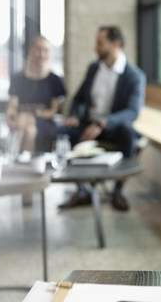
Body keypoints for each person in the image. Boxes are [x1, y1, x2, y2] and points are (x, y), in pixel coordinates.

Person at [59, 25, 146, 211]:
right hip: (87, 124)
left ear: (116, 44)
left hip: (113, 128)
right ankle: (82, 189)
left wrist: (102, 123)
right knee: (61, 131)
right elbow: (79, 98)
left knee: (129, 136)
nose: (95, 48)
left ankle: (117, 191)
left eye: (100, 43)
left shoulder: (135, 76)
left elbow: (133, 112)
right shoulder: (94, 68)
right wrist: (74, 115)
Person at [6, 36, 66, 156]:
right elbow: (12, 105)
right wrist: (9, 117)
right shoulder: (18, 78)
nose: (41, 54)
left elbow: (53, 111)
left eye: (45, 50)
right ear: (30, 51)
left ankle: (20, 160)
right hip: (21, 117)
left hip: (44, 119)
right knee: (25, 125)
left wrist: (34, 114)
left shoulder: (55, 80)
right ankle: (25, 161)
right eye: (38, 49)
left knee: (30, 129)